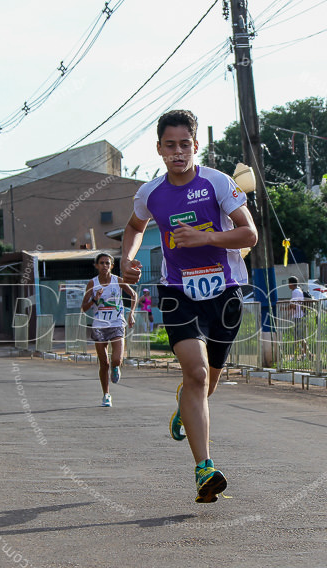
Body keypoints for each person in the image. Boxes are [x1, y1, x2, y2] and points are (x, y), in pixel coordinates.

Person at [120, 109, 258, 504]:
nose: (178, 152)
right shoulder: (151, 194)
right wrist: (127, 258)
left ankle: (185, 408)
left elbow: (249, 232)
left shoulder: (218, 183)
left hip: (224, 291)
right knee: (195, 374)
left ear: (195, 146)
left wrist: (205, 239)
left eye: (185, 145)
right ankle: (204, 469)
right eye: (170, 145)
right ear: (160, 149)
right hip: (176, 291)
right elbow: (134, 227)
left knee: (207, 382)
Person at [81, 252, 136, 408]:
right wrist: (94, 299)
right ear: (96, 266)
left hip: (117, 323)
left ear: (112, 266)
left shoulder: (117, 281)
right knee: (103, 363)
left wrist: (131, 313)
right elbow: (83, 308)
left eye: (108, 263)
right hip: (99, 326)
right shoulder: (92, 284)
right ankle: (106, 394)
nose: (105, 266)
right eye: (102, 263)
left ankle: (116, 367)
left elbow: (133, 294)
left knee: (116, 359)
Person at [286, 276, 310, 359]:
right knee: (299, 337)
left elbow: (294, 305)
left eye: (289, 283)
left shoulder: (295, 292)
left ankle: (301, 355)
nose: (288, 285)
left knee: (298, 337)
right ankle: (305, 354)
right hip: (300, 315)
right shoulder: (299, 290)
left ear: (292, 284)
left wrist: (284, 308)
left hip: (297, 316)